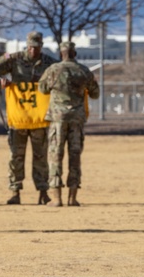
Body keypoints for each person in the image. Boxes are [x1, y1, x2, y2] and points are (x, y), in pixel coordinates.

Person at [0, 31, 57, 205]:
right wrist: (1, 79)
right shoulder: (15, 59)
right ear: (27, 45)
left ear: (41, 46)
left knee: (41, 156)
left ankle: (43, 191)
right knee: (16, 156)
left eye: (37, 47)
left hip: (39, 118)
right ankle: (15, 191)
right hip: (19, 117)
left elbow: (60, 74)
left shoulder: (48, 63)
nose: (34, 51)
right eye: (31, 47)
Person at [38, 41, 100, 207]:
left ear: (61, 54)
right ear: (75, 54)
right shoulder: (84, 71)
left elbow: (42, 89)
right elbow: (95, 94)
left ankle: (56, 198)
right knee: (75, 156)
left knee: (55, 156)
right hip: (77, 118)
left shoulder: (52, 70)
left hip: (58, 118)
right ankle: (72, 197)